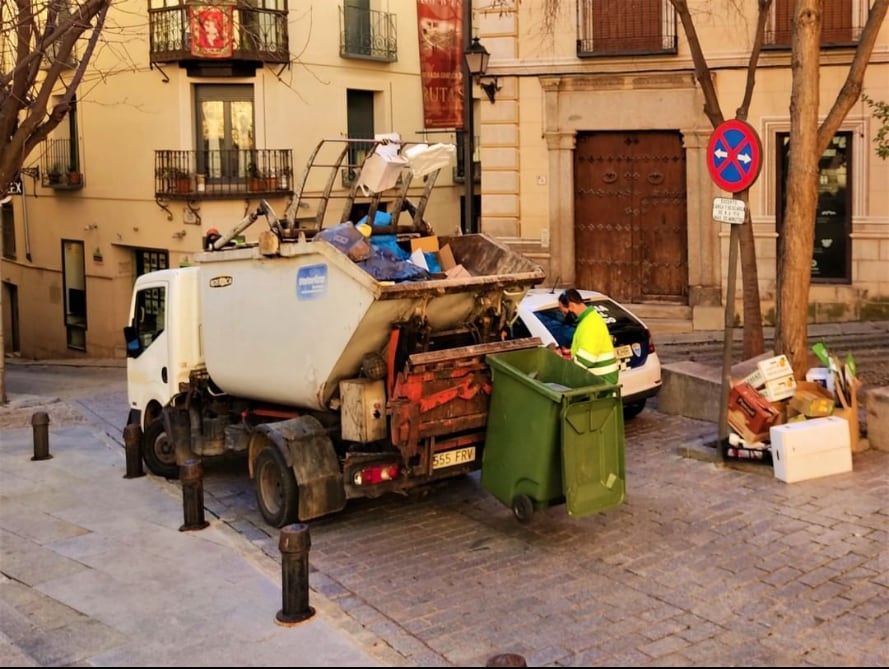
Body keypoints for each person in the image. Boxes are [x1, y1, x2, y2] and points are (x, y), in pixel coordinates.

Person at [560, 288, 620, 385]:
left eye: (564, 312)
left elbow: (585, 359)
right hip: (601, 379)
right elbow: (591, 346)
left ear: (571, 306)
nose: (564, 316)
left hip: (601, 381)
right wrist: (570, 351)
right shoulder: (589, 320)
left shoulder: (590, 324)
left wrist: (565, 369)